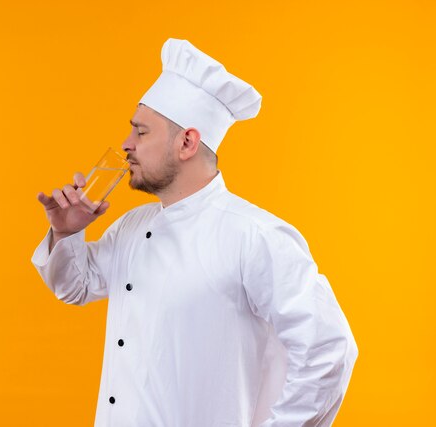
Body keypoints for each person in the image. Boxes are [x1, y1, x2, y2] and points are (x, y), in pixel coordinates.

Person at [32, 38, 358, 427]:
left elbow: (328, 349)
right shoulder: (134, 227)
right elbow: (75, 287)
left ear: (186, 142)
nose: (125, 144)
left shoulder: (253, 235)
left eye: (140, 132)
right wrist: (66, 234)